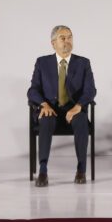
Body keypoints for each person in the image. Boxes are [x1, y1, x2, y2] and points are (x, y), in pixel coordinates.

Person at [28, 25, 97, 187]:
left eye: (70, 37)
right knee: (45, 120)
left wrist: (79, 106)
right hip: (50, 108)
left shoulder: (83, 63)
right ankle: (43, 171)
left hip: (73, 108)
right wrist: (43, 104)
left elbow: (90, 90)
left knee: (81, 121)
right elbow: (32, 90)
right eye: (63, 38)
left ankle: (81, 170)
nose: (67, 41)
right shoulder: (42, 62)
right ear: (53, 43)